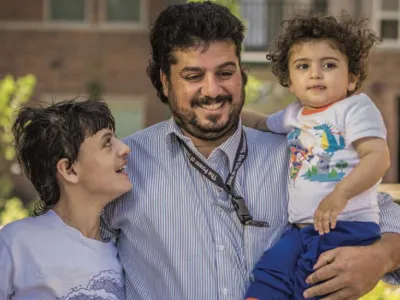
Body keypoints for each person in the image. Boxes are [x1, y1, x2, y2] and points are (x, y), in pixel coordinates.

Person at [103, 2, 400, 300]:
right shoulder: (124, 165)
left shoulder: (297, 152)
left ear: (242, 75)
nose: (212, 90)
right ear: (165, 83)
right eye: (193, 76)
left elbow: (385, 213)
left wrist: (380, 258)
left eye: (225, 73)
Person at [240, 13, 391, 300]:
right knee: (273, 267)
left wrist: (341, 194)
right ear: (291, 83)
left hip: (346, 226)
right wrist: (230, 111)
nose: (315, 73)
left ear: (352, 79)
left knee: (313, 280)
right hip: (300, 229)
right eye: (303, 66)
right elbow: (261, 123)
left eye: (329, 65)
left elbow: (377, 156)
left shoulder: (354, 108)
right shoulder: (294, 115)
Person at [0, 99, 130, 299]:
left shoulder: (122, 252)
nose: (125, 148)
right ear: (69, 169)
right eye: (107, 142)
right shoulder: (16, 242)